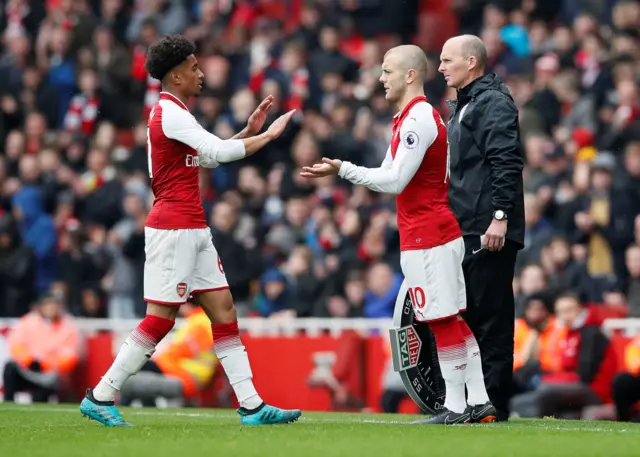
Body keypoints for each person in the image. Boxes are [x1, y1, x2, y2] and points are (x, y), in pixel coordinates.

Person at [79, 34, 300, 427]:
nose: (201, 74)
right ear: (177, 75)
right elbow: (215, 153)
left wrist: (246, 133)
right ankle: (101, 395)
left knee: (224, 310)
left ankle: (251, 405)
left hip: (192, 226)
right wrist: (266, 137)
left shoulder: (175, 112)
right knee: (160, 319)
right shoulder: (171, 113)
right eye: (195, 68)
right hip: (173, 227)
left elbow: (205, 158)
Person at [301, 45, 495, 424]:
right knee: (452, 319)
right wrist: (347, 170)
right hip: (430, 232)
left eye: (387, 71)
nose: (380, 78)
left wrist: (344, 169)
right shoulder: (411, 117)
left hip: (429, 235)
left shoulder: (418, 119)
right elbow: (390, 173)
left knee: (441, 321)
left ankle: (455, 407)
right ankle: (480, 401)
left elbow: (393, 181)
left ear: (409, 75)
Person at [438, 35, 526, 421]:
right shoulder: (464, 104)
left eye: (446, 60)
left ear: (471, 62)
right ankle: (475, 403)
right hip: (468, 227)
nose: (440, 67)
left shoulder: (491, 102)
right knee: (471, 317)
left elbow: (506, 160)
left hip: (489, 228)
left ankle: (492, 406)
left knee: (489, 319)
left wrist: (501, 217)